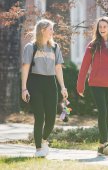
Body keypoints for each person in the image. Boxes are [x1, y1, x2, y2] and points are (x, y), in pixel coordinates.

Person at [77, 16, 108, 156]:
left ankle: (100, 146)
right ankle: (106, 143)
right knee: (103, 111)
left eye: (105, 26)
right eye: (100, 27)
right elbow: (84, 66)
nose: (102, 29)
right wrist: (80, 86)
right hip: (96, 83)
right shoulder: (93, 45)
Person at [21, 19, 68, 157]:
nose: (53, 32)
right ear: (42, 30)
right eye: (50, 29)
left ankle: (44, 139)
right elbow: (25, 67)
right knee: (39, 117)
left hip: (50, 83)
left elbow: (58, 68)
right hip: (35, 83)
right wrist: (24, 88)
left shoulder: (55, 47)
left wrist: (63, 87)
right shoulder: (31, 47)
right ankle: (38, 149)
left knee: (51, 118)